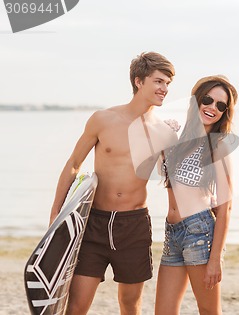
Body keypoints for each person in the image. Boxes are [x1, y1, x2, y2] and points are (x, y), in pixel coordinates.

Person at [49, 52, 176, 315]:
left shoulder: (165, 133)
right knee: (76, 305)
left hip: (134, 226)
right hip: (93, 223)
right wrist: (55, 216)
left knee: (130, 304)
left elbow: (175, 180)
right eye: (159, 81)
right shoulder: (102, 119)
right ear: (139, 81)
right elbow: (73, 164)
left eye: (167, 84)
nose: (164, 89)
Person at [155, 75, 238, 315]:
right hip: (172, 233)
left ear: (225, 112)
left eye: (220, 105)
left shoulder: (220, 144)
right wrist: (164, 139)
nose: (213, 107)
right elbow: (166, 174)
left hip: (199, 233)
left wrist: (215, 259)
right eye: (208, 100)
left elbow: (226, 207)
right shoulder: (179, 140)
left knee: (209, 311)